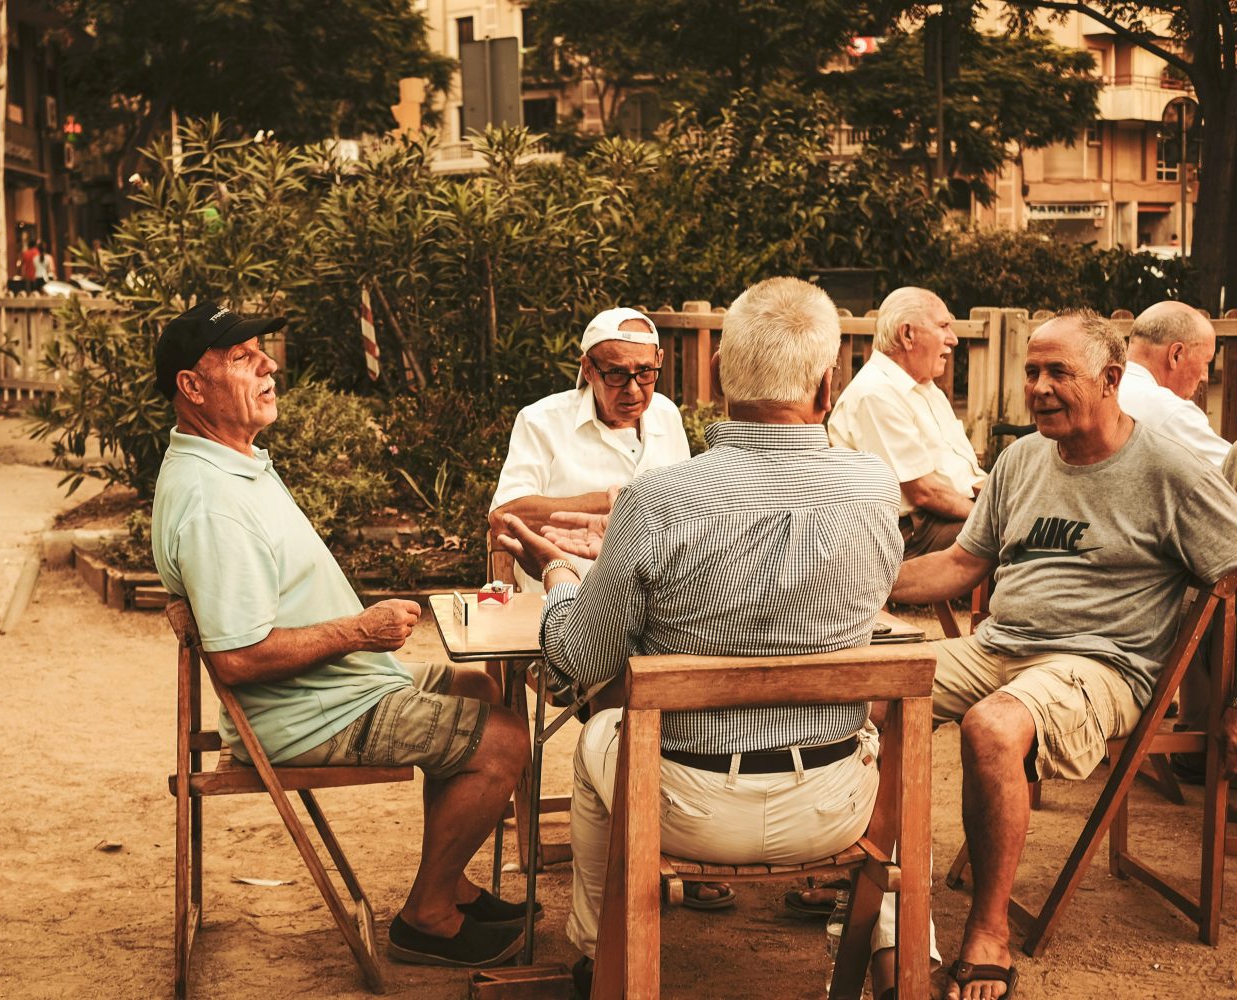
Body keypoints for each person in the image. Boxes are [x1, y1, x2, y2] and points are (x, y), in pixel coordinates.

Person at [498, 277, 932, 1000]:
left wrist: (561, 582)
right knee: (883, 741)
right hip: (834, 803)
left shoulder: (658, 500)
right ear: (828, 385)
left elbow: (576, 658)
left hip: (684, 806)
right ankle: (892, 957)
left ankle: (595, 959)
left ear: (720, 376)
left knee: (600, 735)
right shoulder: (872, 489)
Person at [148, 301, 534, 969]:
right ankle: (427, 918)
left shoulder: (231, 462)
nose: (269, 366)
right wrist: (361, 628)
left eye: (262, 352)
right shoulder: (213, 502)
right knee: (504, 741)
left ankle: (452, 884)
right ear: (192, 386)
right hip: (305, 714)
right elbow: (238, 658)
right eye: (243, 358)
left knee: (476, 684)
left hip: (337, 688)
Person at [890, 310, 1237, 1000]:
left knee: (993, 728)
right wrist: (860, 584)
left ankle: (988, 932)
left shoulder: (1172, 472)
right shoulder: (1021, 460)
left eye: (1057, 373)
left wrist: (1231, 707)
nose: (1039, 388)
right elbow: (962, 563)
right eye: (1032, 372)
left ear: (1111, 380)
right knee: (868, 690)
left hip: (1100, 665)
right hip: (996, 647)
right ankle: (874, 893)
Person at [488, 307, 690, 593]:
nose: (633, 389)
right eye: (617, 374)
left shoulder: (667, 414)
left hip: (653, 605)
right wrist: (617, 502)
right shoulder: (542, 420)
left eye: (645, 372)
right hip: (564, 602)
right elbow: (503, 518)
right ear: (588, 368)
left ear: (659, 360)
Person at [828, 287, 986, 559]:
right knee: (1014, 542)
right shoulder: (875, 394)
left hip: (941, 516)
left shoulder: (926, 388)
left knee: (1036, 525)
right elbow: (924, 493)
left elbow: (962, 476)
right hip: (908, 531)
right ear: (907, 334)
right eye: (943, 326)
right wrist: (991, 520)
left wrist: (1007, 500)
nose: (954, 339)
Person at [1119, 300, 1226, 466]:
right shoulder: (1167, 410)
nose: (1204, 376)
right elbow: (1231, 470)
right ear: (1175, 355)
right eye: (1206, 362)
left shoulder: (1100, 387)